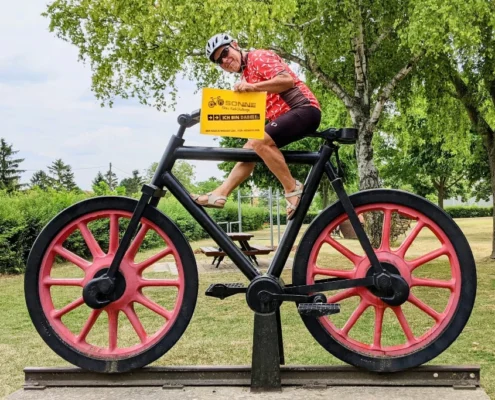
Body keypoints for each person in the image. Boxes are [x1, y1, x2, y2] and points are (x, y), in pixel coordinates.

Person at [191, 33, 321, 220]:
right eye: (219, 61)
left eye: (226, 52)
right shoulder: (246, 75)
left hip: (303, 108)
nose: (225, 60)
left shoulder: (257, 57)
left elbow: (287, 81)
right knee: (248, 149)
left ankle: (293, 189)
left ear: (235, 45)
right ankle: (220, 193)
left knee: (258, 141)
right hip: (288, 116)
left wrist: (252, 88)